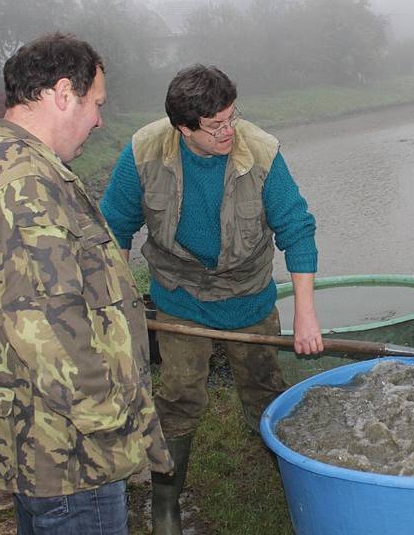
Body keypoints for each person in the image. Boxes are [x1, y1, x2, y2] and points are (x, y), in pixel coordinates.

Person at [0, 33, 172, 535]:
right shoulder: (25, 183)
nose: (99, 120)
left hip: (28, 434)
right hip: (70, 447)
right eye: (96, 104)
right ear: (63, 93)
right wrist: (115, 422)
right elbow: (47, 327)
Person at [100, 64, 323, 534]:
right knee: (179, 398)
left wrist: (306, 316)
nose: (228, 131)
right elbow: (113, 227)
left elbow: (297, 229)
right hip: (180, 298)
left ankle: (293, 484)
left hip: (248, 296)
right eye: (215, 125)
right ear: (183, 128)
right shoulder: (143, 151)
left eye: (232, 117)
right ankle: (165, 505)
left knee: (265, 397)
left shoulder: (260, 153)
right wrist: (119, 305)